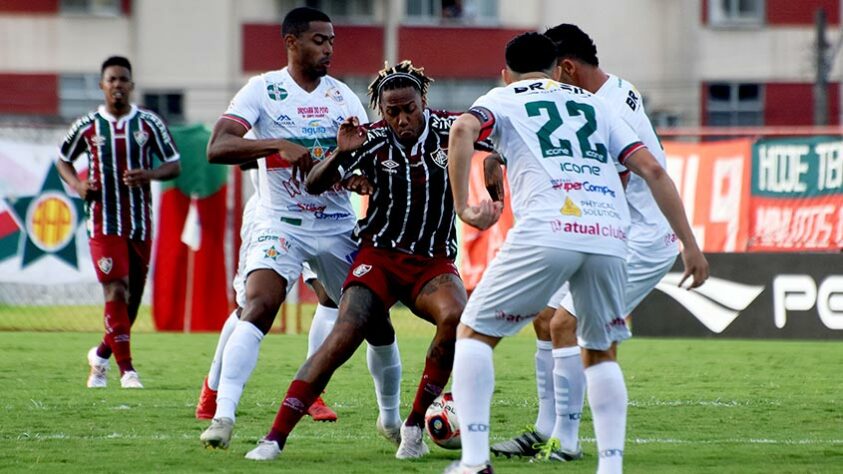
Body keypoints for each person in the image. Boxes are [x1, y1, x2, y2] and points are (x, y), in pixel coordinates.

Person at [444, 33, 708, 474]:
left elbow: (462, 128)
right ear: (555, 69)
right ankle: (609, 466)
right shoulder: (598, 104)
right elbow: (653, 169)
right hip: (609, 234)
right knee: (599, 349)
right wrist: (691, 244)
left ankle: (474, 463)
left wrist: (463, 207)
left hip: (550, 228)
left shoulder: (503, 97)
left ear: (506, 74)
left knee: (474, 334)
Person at [241, 60, 495, 462]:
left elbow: (499, 146)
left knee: (456, 319)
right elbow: (314, 183)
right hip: (379, 257)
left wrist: (494, 174)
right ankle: (274, 439)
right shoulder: (370, 140)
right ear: (380, 111)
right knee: (342, 336)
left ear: (423, 100)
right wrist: (341, 153)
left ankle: (413, 426)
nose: (401, 119)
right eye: (391, 111)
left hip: (432, 263)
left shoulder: (453, 129)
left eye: (408, 108)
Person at [199, 7, 402, 449]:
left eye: (331, 40)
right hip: (281, 223)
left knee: (375, 320)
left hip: (335, 224)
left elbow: (362, 155)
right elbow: (218, 147)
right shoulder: (263, 89)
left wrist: (359, 176)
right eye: (318, 40)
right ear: (291, 42)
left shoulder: (343, 97)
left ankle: (391, 419)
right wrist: (277, 143)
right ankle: (223, 416)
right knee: (259, 305)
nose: (328, 48)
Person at [56, 56, 181, 389]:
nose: (117, 85)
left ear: (131, 85)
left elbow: (174, 164)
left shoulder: (149, 124)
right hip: (102, 221)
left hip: (140, 222)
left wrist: (150, 175)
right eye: (111, 80)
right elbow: (63, 160)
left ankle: (99, 356)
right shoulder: (87, 126)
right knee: (116, 288)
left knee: (132, 303)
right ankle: (127, 370)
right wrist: (79, 185)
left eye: (123, 79)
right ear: (102, 85)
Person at [194, 164, 340, 422]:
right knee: (250, 308)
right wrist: (281, 146)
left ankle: (311, 390)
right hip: (274, 217)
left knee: (332, 297)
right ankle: (213, 388)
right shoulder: (260, 122)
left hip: (326, 215)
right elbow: (241, 156)